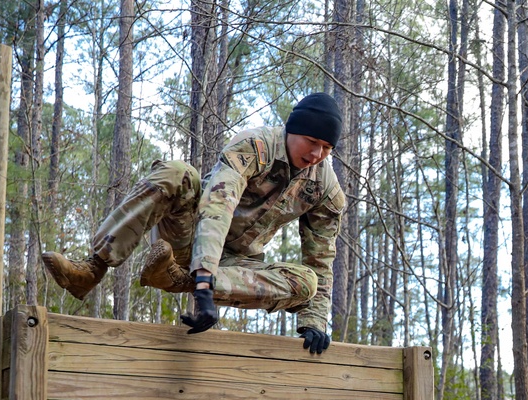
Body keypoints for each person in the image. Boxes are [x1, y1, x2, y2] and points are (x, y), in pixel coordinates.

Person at [40, 92, 345, 355]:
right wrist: (203, 279)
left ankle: (176, 278)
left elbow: (320, 259)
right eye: (312, 141)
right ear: (292, 130)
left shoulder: (325, 189)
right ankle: (93, 269)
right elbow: (217, 207)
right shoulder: (255, 146)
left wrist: (314, 322)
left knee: (307, 282)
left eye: (327, 148)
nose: (317, 154)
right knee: (177, 172)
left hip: (235, 268)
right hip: (190, 235)